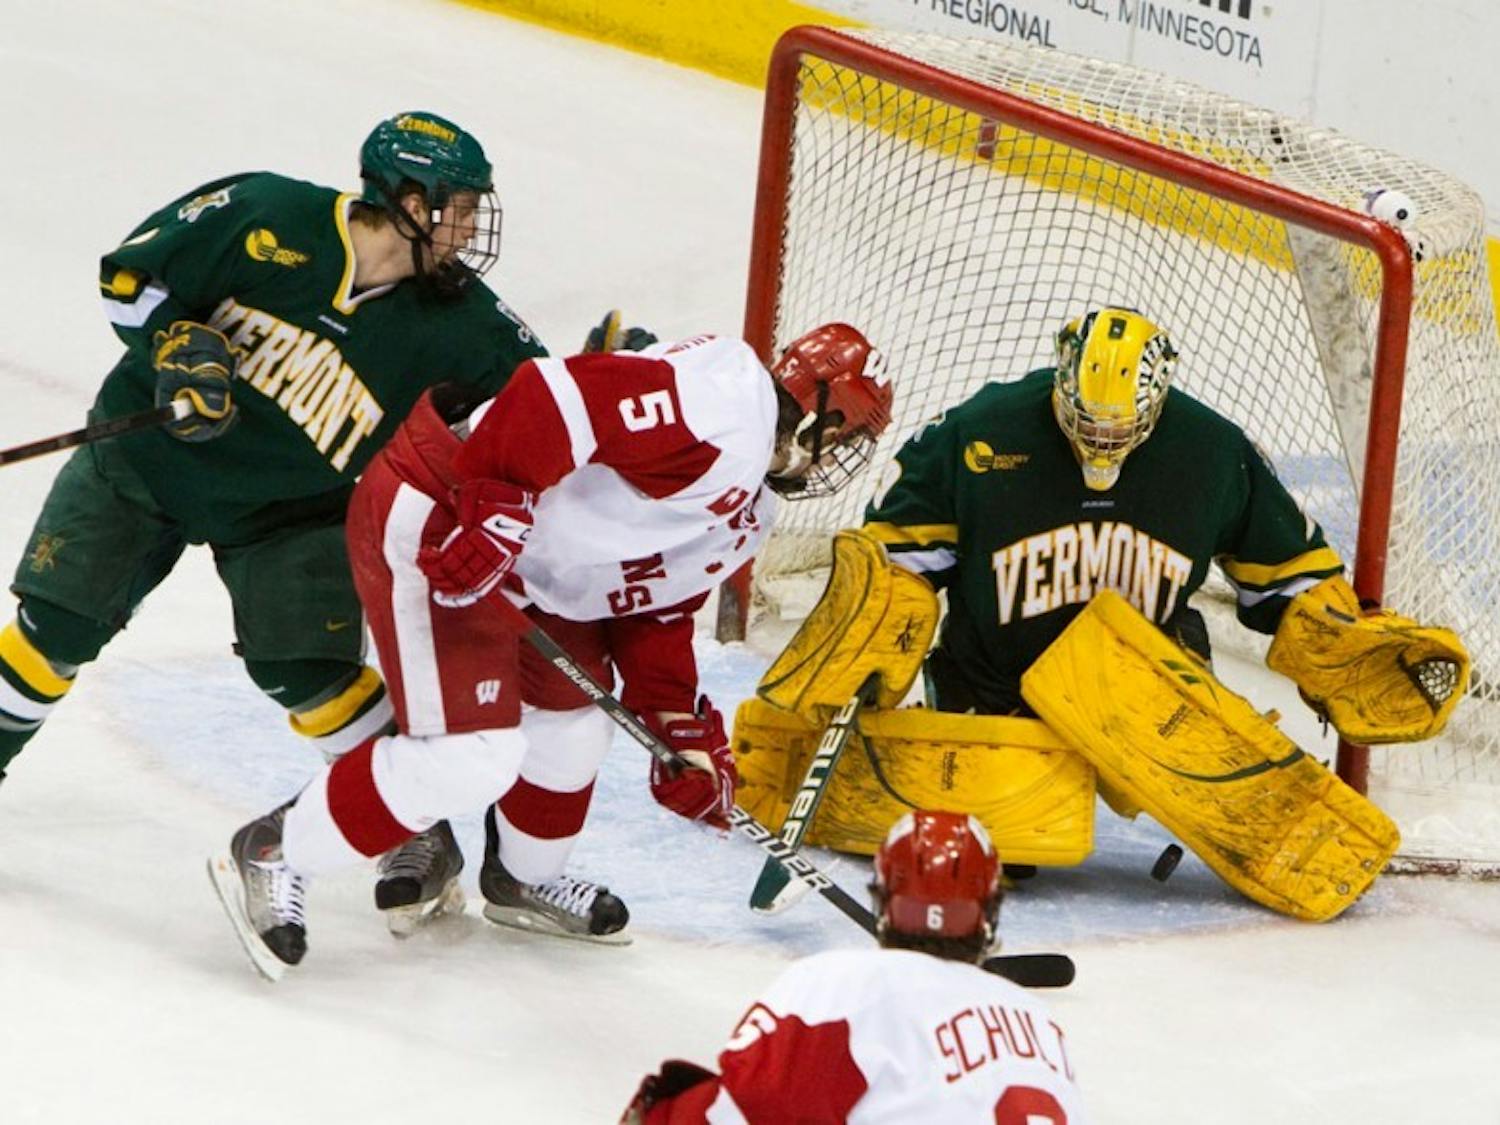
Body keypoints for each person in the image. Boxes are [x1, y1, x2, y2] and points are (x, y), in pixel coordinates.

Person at [736, 306, 1465, 920]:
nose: (1102, 440)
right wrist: (883, 618)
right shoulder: (982, 430)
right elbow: (896, 558)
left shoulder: (1212, 452)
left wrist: (1334, 641)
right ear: (1060, 382)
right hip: (995, 679)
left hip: (1140, 679)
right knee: (1006, 852)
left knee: (1236, 795)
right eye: (1086, 421)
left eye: (1123, 427)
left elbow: (1289, 572)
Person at [208, 325, 895, 974]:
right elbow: (554, 396)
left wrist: (676, 725)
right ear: (819, 418)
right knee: (475, 754)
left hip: (523, 563)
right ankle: (274, 847)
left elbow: (655, 606)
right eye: (844, 437)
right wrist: (496, 506)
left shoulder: (752, 508)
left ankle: (520, 880)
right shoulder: (725, 405)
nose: (837, 459)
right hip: (444, 511)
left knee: (573, 726)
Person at [0, 111, 545, 789]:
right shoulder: (267, 215)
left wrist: (611, 379)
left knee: (311, 674)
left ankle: (409, 832)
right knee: (54, 627)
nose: (469, 231)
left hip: (291, 512)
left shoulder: (466, 326)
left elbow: (541, 410)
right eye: (460, 210)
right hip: (148, 465)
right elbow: (131, 279)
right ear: (411, 204)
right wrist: (174, 344)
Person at [620, 809, 1090, 1123]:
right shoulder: (1043, 1027)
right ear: (989, 911)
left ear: (883, 900)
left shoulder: (845, 985)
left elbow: (744, 1108)